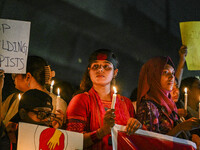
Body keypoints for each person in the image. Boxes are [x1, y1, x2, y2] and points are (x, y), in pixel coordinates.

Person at [66, 49, 141, 149]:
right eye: (95, 66)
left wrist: (137, 127)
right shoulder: (81, 100)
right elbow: (72, 141)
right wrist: (102, 131)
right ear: (89, 71)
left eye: (106, 66)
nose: (100, 70)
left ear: (115, 73)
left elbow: (134, 140)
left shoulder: (126, 103)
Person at [136, 56, 200, 137]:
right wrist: (180, 127)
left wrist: (192, 137)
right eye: (165, 72)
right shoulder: (148, 106)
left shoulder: (171, 105)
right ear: (153, 75)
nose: (171, 77)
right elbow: (151, 142)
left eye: (173, 73)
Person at [1, 56, 67, 129]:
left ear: (28, 77)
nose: (13, 78)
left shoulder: (57, 105)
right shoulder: (13, 99)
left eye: (15, 74)